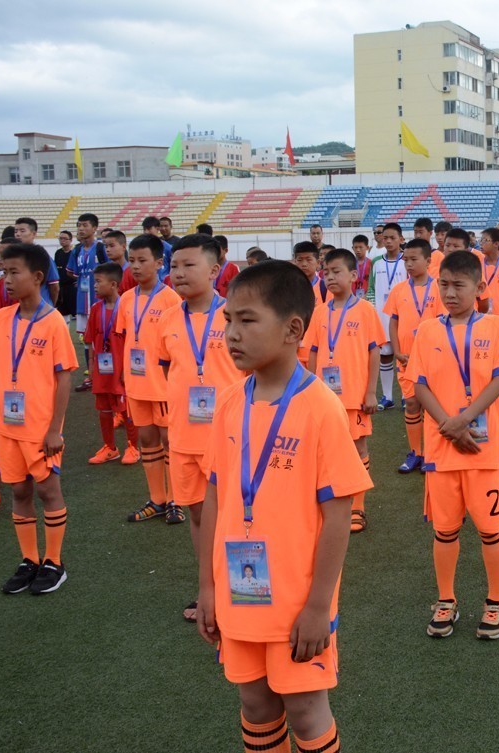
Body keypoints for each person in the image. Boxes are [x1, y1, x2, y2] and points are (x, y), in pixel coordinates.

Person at [196, 261, 370, 753]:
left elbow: (339, 514)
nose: (231, 333)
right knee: (254, 702)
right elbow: (215, 494)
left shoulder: (321, 408)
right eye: (228, 319)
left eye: (247, 320)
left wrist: (318, 606)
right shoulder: (230, 402)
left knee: (306, 710)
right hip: (239, 592)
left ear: (294, 329)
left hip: (297, 602)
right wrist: (208, 586)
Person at [407, 250, 499, 640]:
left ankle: (496, 602)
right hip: (443, 449)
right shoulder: (426, 330)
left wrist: (462, 419)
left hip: (484, 450)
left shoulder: (497, 326)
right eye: (444, 284)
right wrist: (447, 424)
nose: (450, 292)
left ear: (479, 287)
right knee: (445, 531)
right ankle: (446, 600)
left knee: (491, 530)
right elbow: (418, 383)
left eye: (459, 285)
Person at [0, 243, 78, 595]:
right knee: (19, 491)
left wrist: (55, 430)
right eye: (3, 272)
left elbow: (64, 377)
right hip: (6, 426)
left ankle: (55, 562)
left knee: (48, 491)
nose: (6, 279)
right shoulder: (1, 319)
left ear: (37, 277)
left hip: (39, 429)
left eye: (13, 272)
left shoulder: (53, 323)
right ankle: (29, 559)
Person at [156, 235, 245, 622]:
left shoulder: (236, 317)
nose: (178, 273)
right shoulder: (168, 318)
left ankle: (243, 586)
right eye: (174, 266)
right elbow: (166, 368)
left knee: (237, 515)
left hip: (229, 437)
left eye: (188, 265)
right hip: (183, 437)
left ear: (213, 270)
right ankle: (208, 586)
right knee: (197, 515)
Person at [305, 248, 386, 533]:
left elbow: (374, 352)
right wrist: (310, 390)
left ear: (353, 276)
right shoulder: (318, 313)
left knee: (357, 447)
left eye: (336, 271)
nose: (329, 277)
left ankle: (357, 506)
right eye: (326, 272)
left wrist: (371, 392)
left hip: (353, 397)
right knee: (324, 449)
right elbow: (313, 353)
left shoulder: (365, 311)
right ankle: (329, 502)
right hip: (324, 398)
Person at [118, 234, 184, 525]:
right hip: (136, 384)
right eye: (131, 260)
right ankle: (156, 498)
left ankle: (176, 499)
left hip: (162, 384)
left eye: (142, 260)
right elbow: (126, 339)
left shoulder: (171, 298)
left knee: (170, 440)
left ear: (159, 263)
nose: (136, 266)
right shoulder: (126, 298)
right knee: (146, 439)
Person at [383, 239, 444, 474]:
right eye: (405, 259)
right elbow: (394, 321)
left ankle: (430, 452)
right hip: (406, 358)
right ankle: (415, 452)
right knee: (411, 403)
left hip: (432, 360)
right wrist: (397, 350)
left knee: (431, 406)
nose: (408, 263)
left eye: (413, 259)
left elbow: (442, 324)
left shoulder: (439, 288)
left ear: (428, 261)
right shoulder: (399, 290)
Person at [84, 263, 140, 466]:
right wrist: (91, 365)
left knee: (126, 409)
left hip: (121, 370)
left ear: (114, 284)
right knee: (104, 409)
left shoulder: (126, 308)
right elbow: (90, 340)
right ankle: (110, 448)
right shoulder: (95, 309)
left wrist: (128, 369)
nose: (95, 286)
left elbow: (133, 342)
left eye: (98, 282)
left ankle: (133, 447)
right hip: (101, 369)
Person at [367, 223, 408, 411]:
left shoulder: (406, 261)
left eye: (393, 238)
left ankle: (407, 395)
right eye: (385, 238)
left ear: (401, 239)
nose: (389, 241)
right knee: (385, 356)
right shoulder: (376, 262)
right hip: (382, 317)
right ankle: (388, 396)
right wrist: (373, 314)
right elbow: (371, 290)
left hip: (403, 317)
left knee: (405, 356)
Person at [67, 213, 108, 392]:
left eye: (85, 225)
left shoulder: (101, 248)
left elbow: (111, 269)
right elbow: (71, 271)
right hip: (83, 301)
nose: (81, 228)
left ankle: (106, 373)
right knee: (86, 339)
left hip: (100, 301)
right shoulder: (76, 250)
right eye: (79, 225)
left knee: (104, 337)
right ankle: (91, 376)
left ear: (94, 228)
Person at [53, 230, 76, 318]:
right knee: (62, 312)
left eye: (65, 239)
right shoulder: (58, 253)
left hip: (72, 286)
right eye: (60, 238)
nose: (62, 240)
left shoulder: (74, 252)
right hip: (62, 287)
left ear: (70, 240)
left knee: (75, 311)